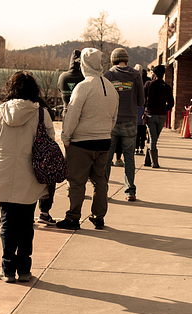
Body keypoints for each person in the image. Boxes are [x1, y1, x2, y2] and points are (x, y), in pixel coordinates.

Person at [0, 71, 51, 283]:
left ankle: (6, 269)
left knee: (7, 223)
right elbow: (50, 142)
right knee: (25, 224)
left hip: (2, 170)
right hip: (30, 173)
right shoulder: (41, 113)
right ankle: (23, 269)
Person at [56, 48, 119, 230]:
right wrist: (105, 131)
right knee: (100, 180)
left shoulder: (83, 87)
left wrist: (66, 137)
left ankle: (73, 217)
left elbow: (72, 114)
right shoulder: (110, 88)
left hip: (81, 143)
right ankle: (99, 216)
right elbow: (114, 117)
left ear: (84, 64)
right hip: (104, 141)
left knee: (77, 181)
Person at [35, 50, 86, 226]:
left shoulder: (63, 77)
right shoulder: (85, 80)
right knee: (76, 157)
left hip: (66, 114)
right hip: (82, 119)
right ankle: (73, 183)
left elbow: (59, 89)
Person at [104, 47, 145, 202]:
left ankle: (103, 190)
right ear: (126, 59)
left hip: (111, 121)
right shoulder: (136, 75)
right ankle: (130, 191)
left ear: (113, 59)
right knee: (129, 158)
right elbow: (141, 101)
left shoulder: (108, 75)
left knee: (107, 158)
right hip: (130, 120)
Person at [144, 64, 175, 168]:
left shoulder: (148, 84)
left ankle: (154, 163)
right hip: (162, 116)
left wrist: (146, 107)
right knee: (154, 138)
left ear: (155, 73)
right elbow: (171, 103)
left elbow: (142, 99)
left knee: (153, 139)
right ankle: (149, 161)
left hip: (150, 114)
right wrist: (164, 108)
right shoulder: (167, 87)